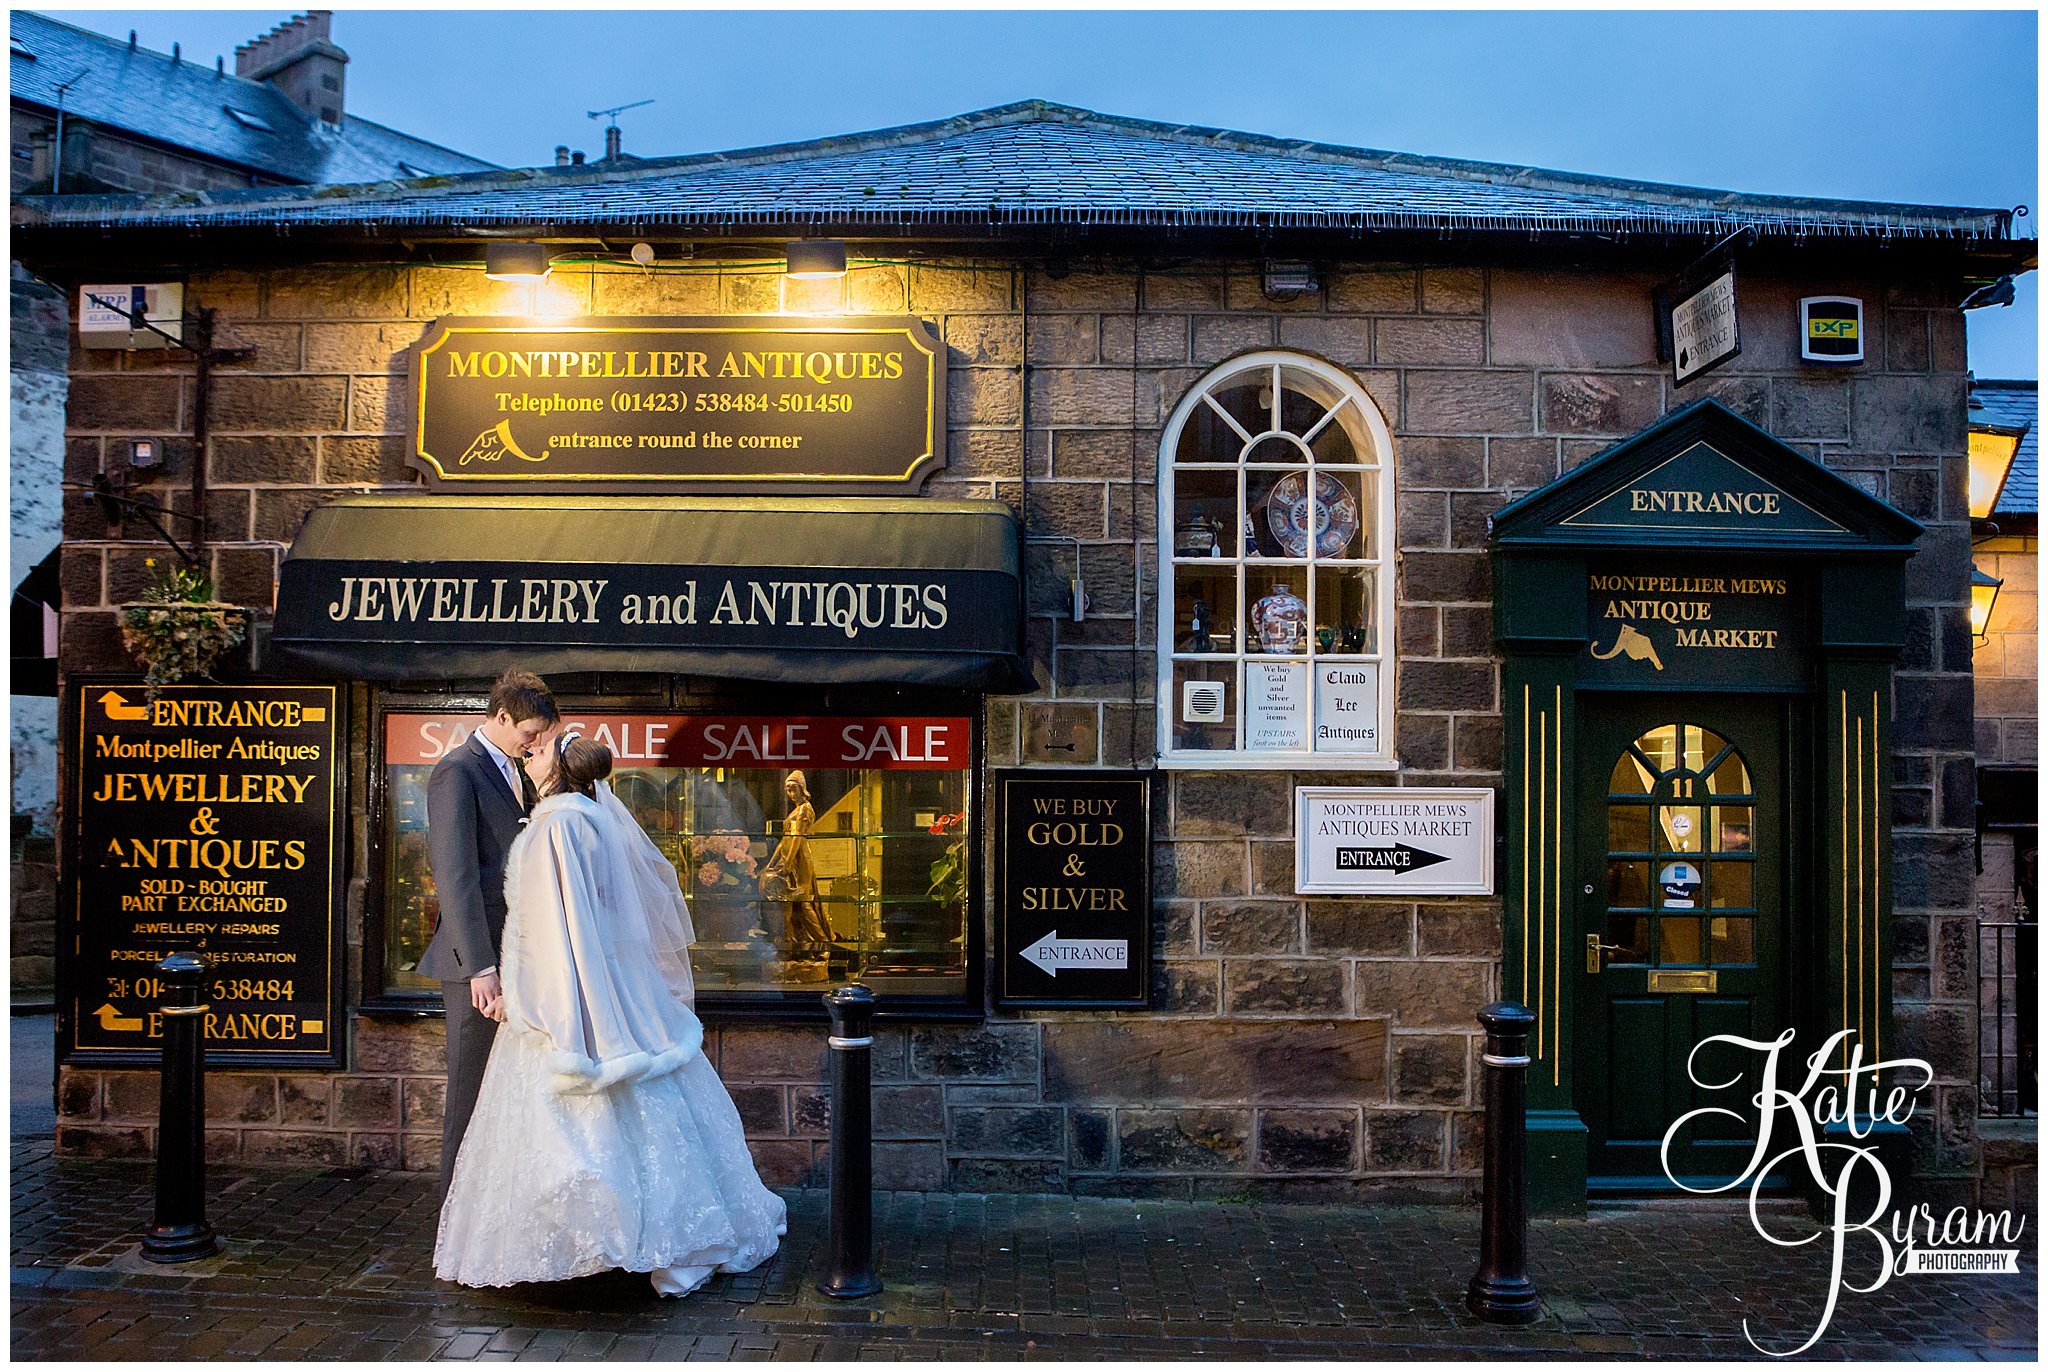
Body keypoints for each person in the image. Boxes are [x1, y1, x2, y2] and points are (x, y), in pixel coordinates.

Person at [435, 733, 786, 1294]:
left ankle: (603, 1242)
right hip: (607, 987)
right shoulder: (591, 820)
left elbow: (554, 928)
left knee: (578, 1115)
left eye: (542, 750)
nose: (533, 754)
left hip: (564, 995)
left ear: (560, 768)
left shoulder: (557, 825)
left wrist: (536, 1004)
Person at [420, 669, 560, 1190]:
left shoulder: (514, 769)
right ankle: (453, 1213)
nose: (535, 743)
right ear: (501, 717)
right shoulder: (457, 770)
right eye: (529, 733)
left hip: (515, 957)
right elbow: (454, 878)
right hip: (477, 963)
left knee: (504, 1091)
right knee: (470, 1087)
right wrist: (482, 967)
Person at [761, 770, 834, 957]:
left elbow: (797, 838)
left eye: (793, 789)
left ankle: (822, 943)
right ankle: (801, 945)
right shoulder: (795, 810)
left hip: (799, 860)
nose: (790, 794)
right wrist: (771, 863)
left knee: (804, 902)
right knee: (791, 905)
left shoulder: (805, 809)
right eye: (788, 790)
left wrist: (789, 862)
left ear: (802, 788)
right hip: (790, 859)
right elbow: (784, 840)